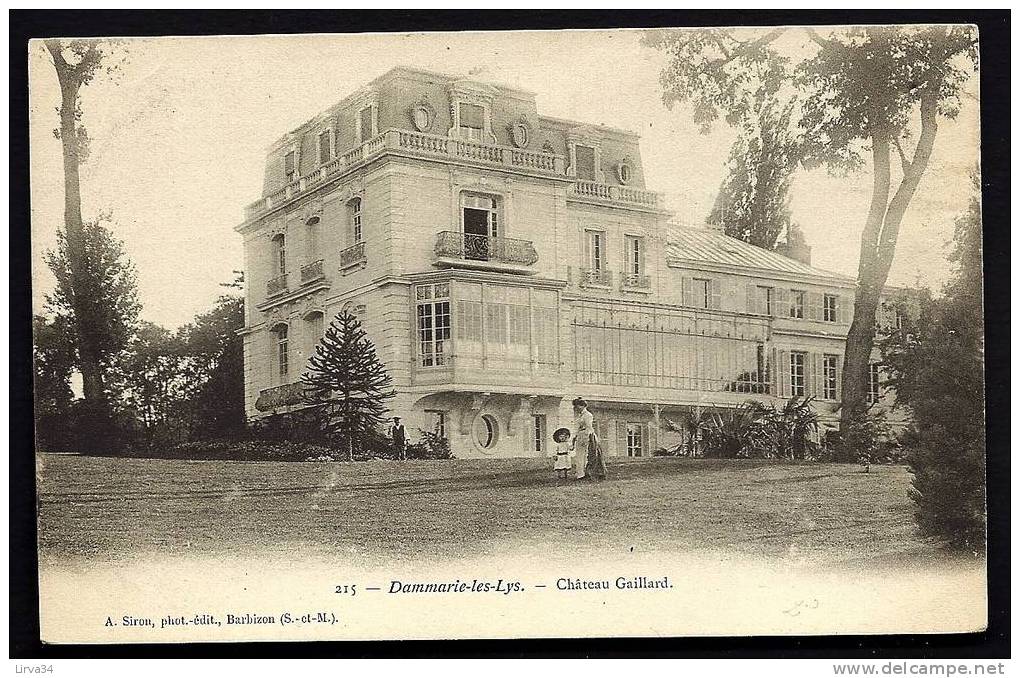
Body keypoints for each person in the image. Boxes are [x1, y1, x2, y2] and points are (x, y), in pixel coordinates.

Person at [570, 398, 594, 480]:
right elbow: (577, 428)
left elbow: (589, 427)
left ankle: (584, 473)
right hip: (580, 435)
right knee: (579, 455)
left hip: (585, 434)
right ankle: (581, 473)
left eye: (578, 406)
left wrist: (586, 438)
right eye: (576, 406)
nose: (576, 408)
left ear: (583, 406)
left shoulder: (588, 415)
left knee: (584, 455)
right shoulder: (580, 415)